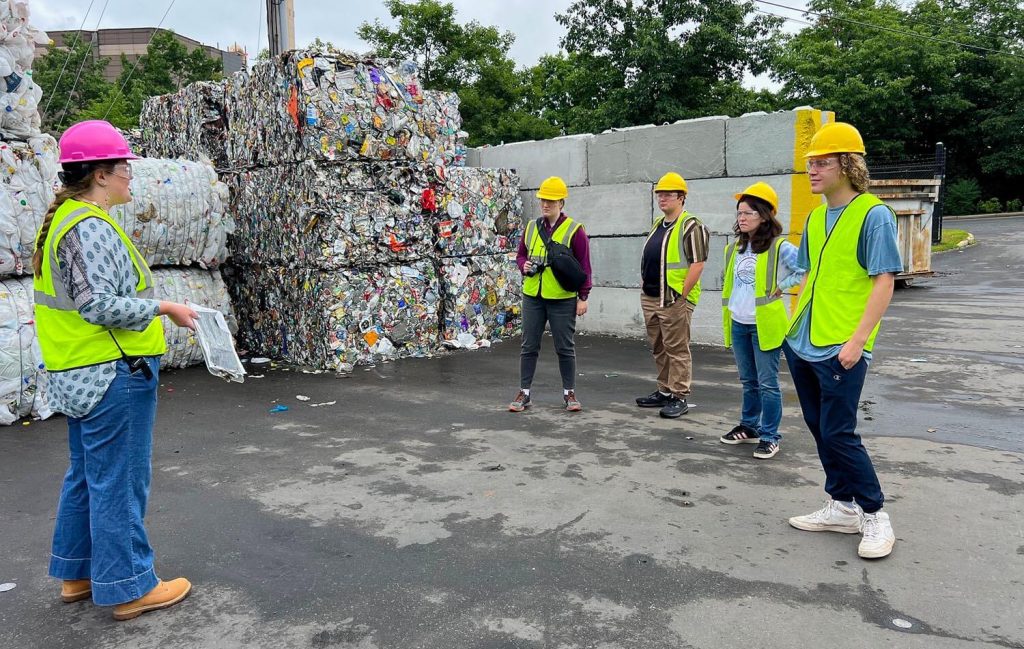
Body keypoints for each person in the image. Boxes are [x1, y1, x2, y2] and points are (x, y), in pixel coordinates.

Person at [36, 120, 199, 619]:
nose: (131, 174)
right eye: (124, 165)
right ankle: (128, 585)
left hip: (79, 371)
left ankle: (79, 572)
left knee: (88, 476)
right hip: (112, 372)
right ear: (101, 174)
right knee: (120, 481)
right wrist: (164, 308)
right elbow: (98, 305)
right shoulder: (89, 226)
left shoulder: (64, 220)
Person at [784, 122, 903, 559]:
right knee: (820, 429)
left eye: (821, 162)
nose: (812, 170)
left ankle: (874, 513)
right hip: (802, 340)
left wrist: (858, 341)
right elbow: (806, 273)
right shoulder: (815, 218)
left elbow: (884, 281)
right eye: (810, 163)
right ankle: (841, 505)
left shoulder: (874, 214)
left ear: (848, 165)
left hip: (842, 345)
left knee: (839, 433)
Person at [719, 183, 805, 459]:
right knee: (748, 380)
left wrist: (783, 285)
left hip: (764, 324)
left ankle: (770, 436)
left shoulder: (780, 247)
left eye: (748, 213)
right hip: (739, 322)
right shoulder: (735, 249)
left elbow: (805, 269)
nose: (741, 218)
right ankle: (749, 427)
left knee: (768, 383)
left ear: (764, 216)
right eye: (739, 213)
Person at [509, 176, 592, 412]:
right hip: (533, 295)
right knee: (528, 345)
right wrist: (523, 265)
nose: (546, 204)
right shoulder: (531, 227)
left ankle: (569, 393)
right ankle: (524, 393)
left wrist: (583, 297)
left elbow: (584, 266)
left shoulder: (574, 230)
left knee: (565, 347)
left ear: (561, 203)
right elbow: (521, 255)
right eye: (543, 200)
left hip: (562, 297)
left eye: (551, 201)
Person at [635, 172, 710, 418]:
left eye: (668, 194)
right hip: (652, 297)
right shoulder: (659, 223)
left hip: (673, 298)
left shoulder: (692, 226)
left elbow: (697, 263)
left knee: (677, 348)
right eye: (659, 193)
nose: (662, 198)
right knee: (659, 346)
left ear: (681, 197)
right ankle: (664, 390)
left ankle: (679, 396)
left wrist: (682, 296)